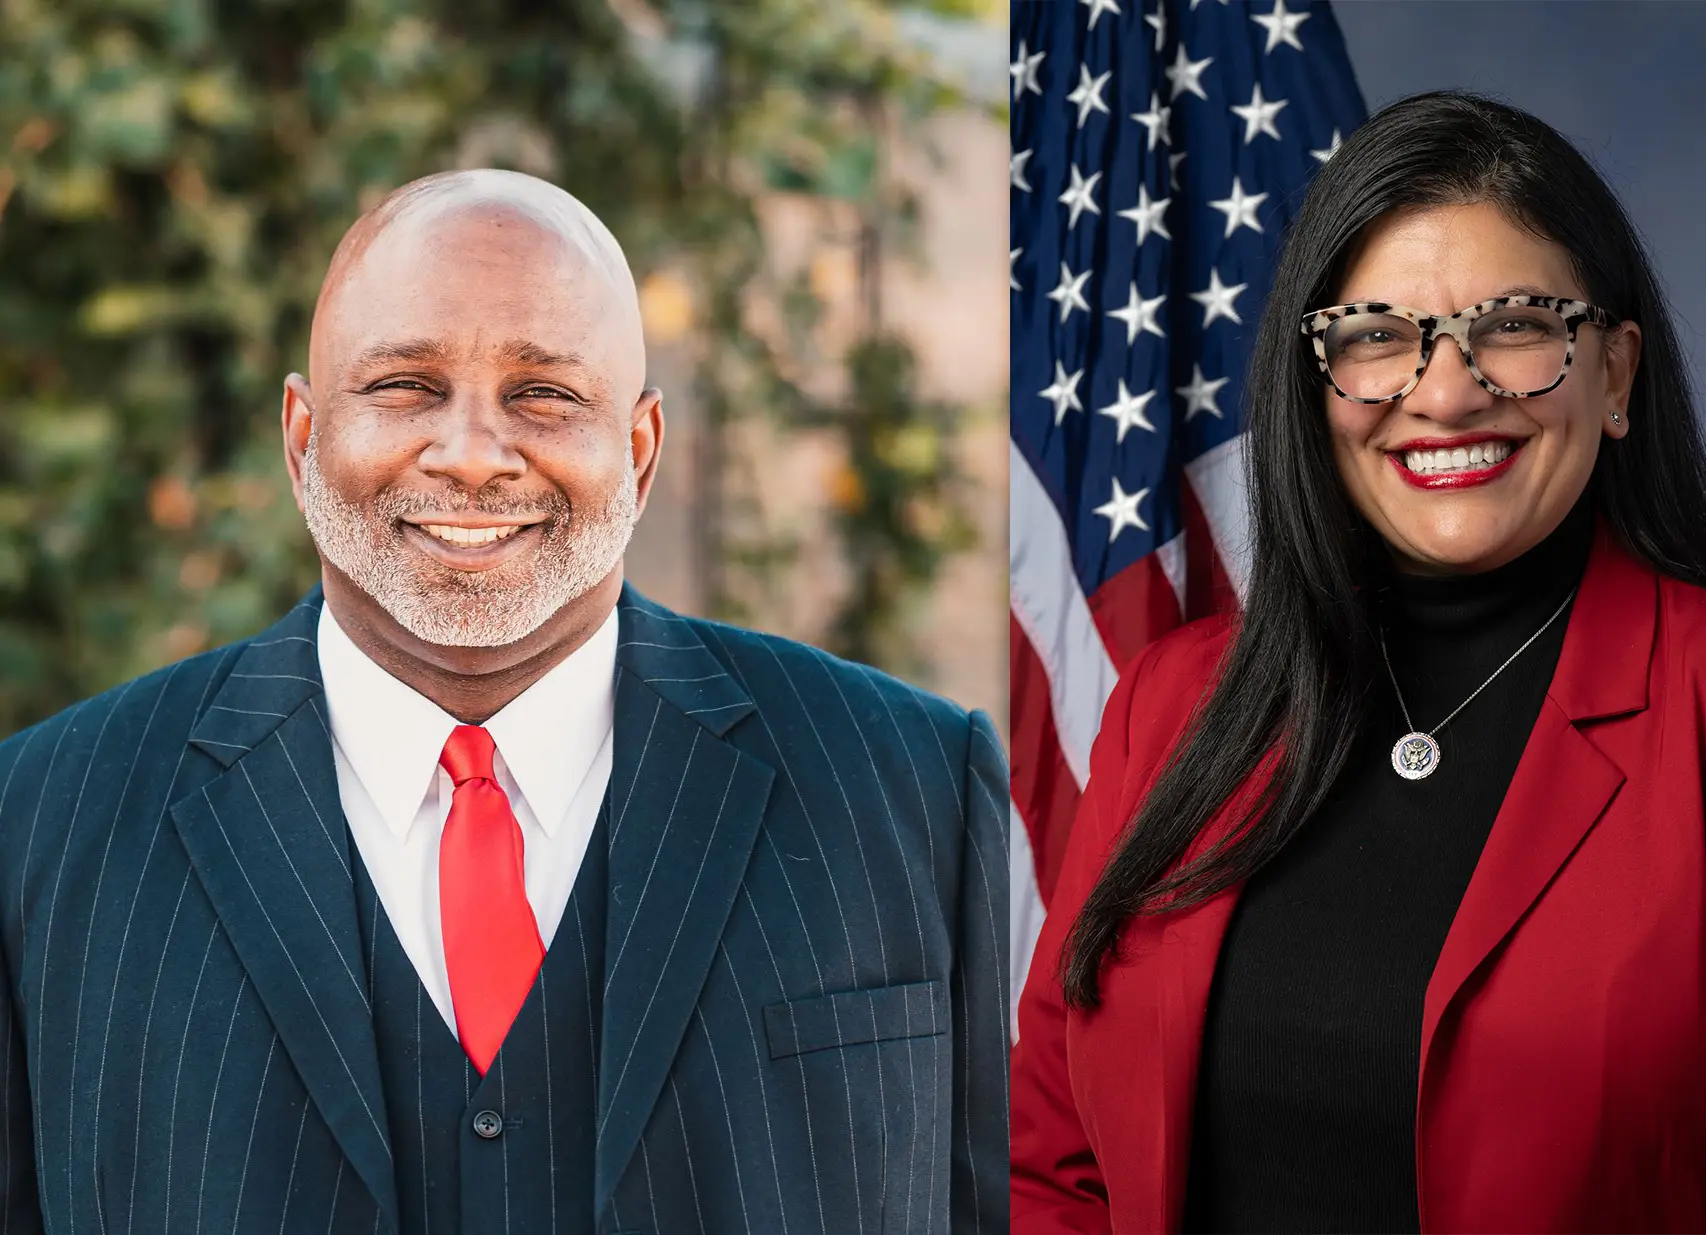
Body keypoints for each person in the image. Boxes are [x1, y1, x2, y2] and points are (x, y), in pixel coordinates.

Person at [0, 169, 1008, 1234]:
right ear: (302, 441)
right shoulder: (37, 824)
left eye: (544, 394)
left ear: (638, 452)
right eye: (405, 386)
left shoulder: (915, 790)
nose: (474, 456)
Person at [1010, 92, 1706, 1234]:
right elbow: (1055, 1168)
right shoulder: (1171, 703)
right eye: (1375, 336)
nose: (1445, 393)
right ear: (1317, 384)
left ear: (1615, 376)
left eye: (1516, 326)